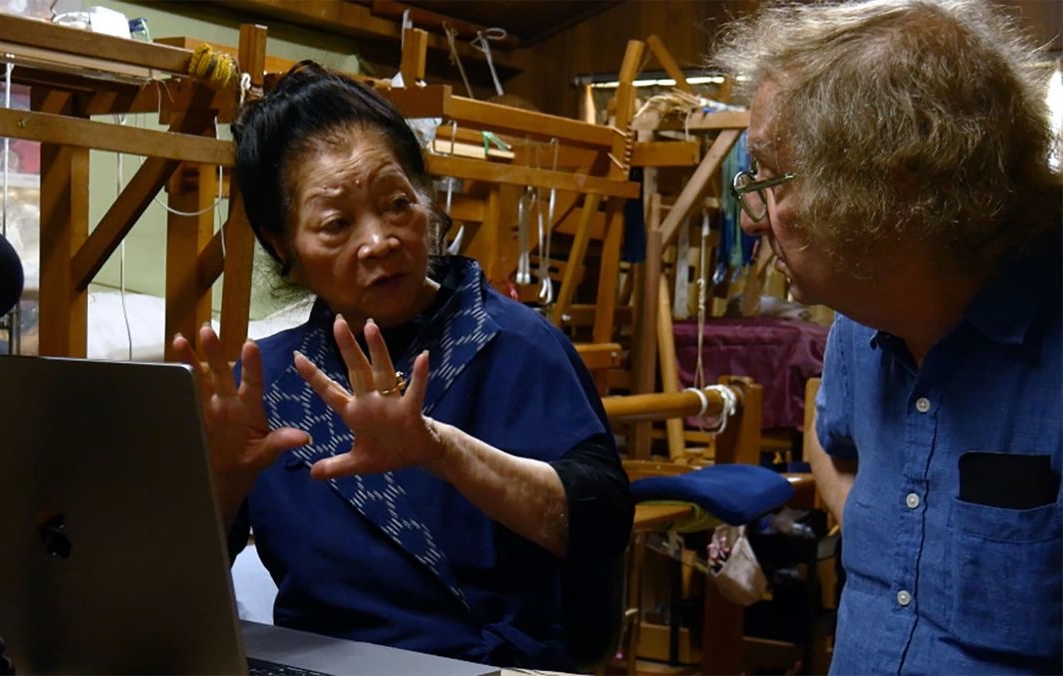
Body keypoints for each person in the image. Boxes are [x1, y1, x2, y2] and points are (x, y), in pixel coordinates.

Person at [172, 61, 632, 670]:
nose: (380, 240)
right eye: (337, 223)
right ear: (282, 244)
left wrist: (439, 450)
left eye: (396, 204)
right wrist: (222, 479)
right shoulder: (270, 384)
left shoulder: (515, 346)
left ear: (425, 197)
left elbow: (601, 526)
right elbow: (175, 590)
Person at [712, 0, 1062, 672]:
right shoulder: (859, 324)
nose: (753, 219)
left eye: (774, 177)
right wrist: (898, 526)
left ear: (892, 184)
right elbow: (829, 438)